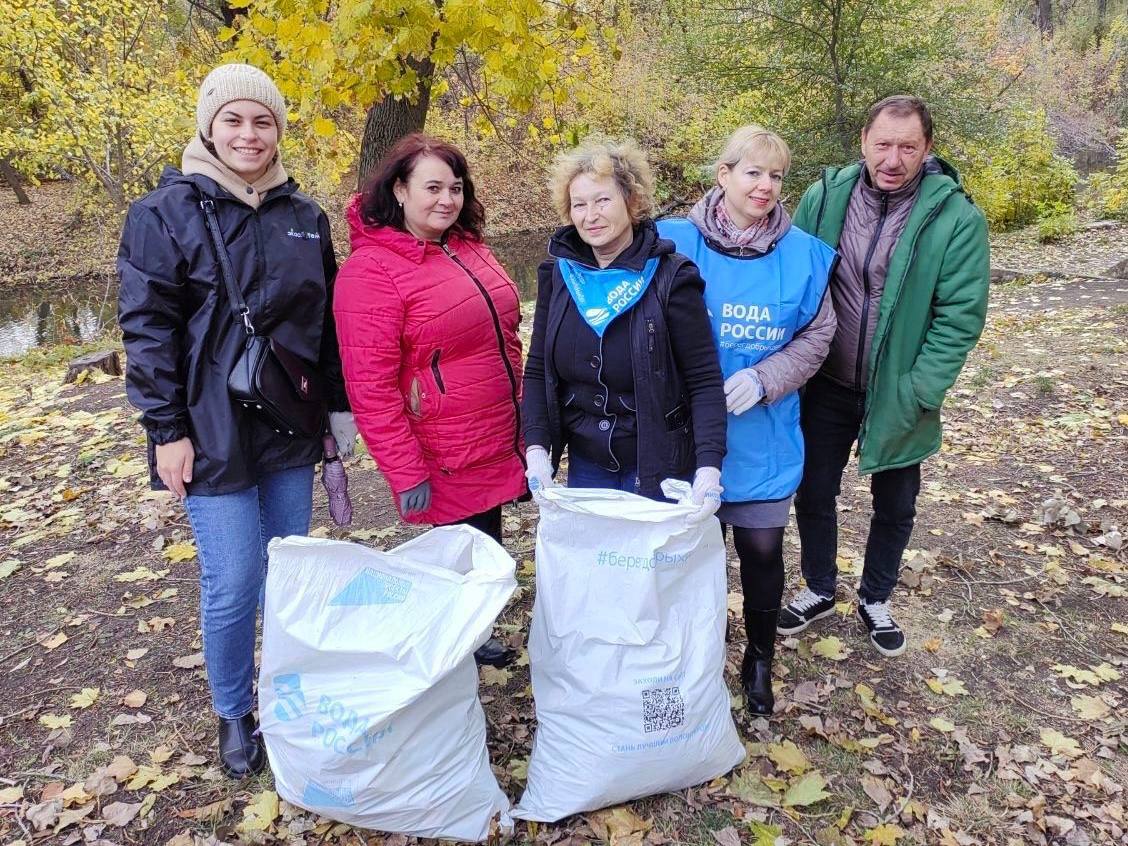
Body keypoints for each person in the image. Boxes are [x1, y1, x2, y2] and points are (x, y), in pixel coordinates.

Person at [118, 64, 355, 778]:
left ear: (278, 129)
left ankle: (286, 693)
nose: (249, 135)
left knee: (290, 571)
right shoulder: (162, 213)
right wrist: (166, 429)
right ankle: (233, 710)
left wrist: (338, 408)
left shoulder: (304, 217)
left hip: (289, 420)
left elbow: (327, 325)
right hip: (208, 425)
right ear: (208, 126)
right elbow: (147, 328)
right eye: (234, 121)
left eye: (263, 121)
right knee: (235, 580)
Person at [780, 95, 990, 656]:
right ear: (864, 142)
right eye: (883, 144)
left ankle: (877, 597)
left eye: (908, 147)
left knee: (895, 502)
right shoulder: (823, 198)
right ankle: (819, 587)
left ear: (927, 149)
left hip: (899, 388)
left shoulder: (955, 218)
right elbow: (789, 276)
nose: (893, 158)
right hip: (823, 382)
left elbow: (960, 313)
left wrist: (921, 388)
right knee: (813, 490)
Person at [657, 126, 836, 716]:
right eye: (752, 172)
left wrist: (767, 378)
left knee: (761, 551)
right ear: (723, 175)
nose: (765, 186)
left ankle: (759, 659)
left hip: (764, 433)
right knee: (691, 559)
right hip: (687, 437)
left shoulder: (805, 255)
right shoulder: (671, 242)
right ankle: (693, 659)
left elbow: (820, 333)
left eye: (776, 176)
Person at [333, 133, 524, 668]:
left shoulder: (468, 246)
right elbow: (369, 386)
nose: (446, 200)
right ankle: (449, 651)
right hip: (442, 445)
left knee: (485, 540)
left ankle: (476, 631)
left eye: (455, 188)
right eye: (432, 187)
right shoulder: (370, 273)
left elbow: (504, 336)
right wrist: (404, 469)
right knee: (452, 554)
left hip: (494, 431)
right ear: (398, 190)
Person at [522, 137, 726, 518]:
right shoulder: (559, 277)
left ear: (631, 202)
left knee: (652, 576)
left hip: (658, 465)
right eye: (579, 204)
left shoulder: (671, 278)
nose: (591, 215)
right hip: (588, 464)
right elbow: (537, 370)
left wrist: (709, 468)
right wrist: (536, 448)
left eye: (602, 200)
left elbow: (704, 380)